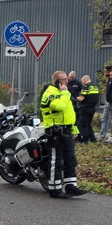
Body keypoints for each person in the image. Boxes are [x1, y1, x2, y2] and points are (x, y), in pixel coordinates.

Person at [39, 70, 87, 198]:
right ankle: (54, 189)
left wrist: (74, 130)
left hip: (66, 130)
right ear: (57, 81)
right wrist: (65, 92)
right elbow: (59, 107)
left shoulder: (63, 93)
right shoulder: (50, 93)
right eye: (64, 79)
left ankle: (70, 186)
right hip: (54, 131)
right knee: (56, 161)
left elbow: (69, 114)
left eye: (66, 79)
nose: (67, 81)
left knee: (70, 159)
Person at [75, 74, 99, 143]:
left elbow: (81, 98)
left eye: (82, 81)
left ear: (85, 80)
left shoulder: (86, 88)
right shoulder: (95, 87)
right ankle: (93, 139)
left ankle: (85, 140)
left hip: (85, 108)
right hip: (93, 108)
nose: (82, 83)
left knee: (83, 124)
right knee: (88, 124)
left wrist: (74, 98)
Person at [98, 66, 112, 142]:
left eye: (106, 71)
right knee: (104, 119)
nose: (104, 73)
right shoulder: (109, 80)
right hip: (107, 101)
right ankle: (102, 136)